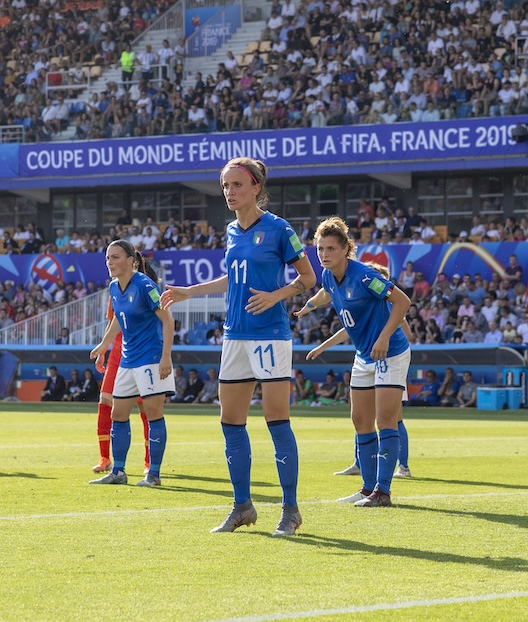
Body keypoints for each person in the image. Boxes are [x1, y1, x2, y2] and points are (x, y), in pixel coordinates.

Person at [161, 157, 317, 535]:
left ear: (256, 188)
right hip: (235, 336)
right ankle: (242, 506)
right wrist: (188, 292)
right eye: (225, 186)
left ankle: (290, 511)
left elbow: (308, 277)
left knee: (276, 420)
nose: (230, 192)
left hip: (270, 336)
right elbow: (231, 280)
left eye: (237, 185)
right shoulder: (231, 231)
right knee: (230, 421)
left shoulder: (279, 229)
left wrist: (275, 296)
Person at [299, 216, 411, 508]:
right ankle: (366, 489)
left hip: (390, 352)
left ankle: (383, 492)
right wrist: (309, 305)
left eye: (330, 249)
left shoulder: (364, 276)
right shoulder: (327, 275)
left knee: (386, 420)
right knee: (360, 420)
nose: (324, 254)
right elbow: (327, 293)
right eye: (320, 249)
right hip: (363, 355)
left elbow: (402, 301)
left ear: (346, 248)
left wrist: (384, 338)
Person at [88, 240, 175, 488]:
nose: (110, 263)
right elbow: (117, 318)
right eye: (107, 258)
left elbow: (168, 321)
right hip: (127, 360)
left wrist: (165, 356)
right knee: (118, 413)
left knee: (153, 414)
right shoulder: (114, 287)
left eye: (115, 258)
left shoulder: (146, 286)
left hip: (150, 359)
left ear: (130, 261)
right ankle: (118, 471)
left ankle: (154, 474)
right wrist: (103, 345)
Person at [91, 298, 151, 475]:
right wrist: (103, 350)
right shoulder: (114, 290)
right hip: (117, 353)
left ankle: (149, 461)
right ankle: (104, 458)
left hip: (139, 353)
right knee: (104, 401)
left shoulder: (145, 287)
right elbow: (112, 322)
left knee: (145, 406)